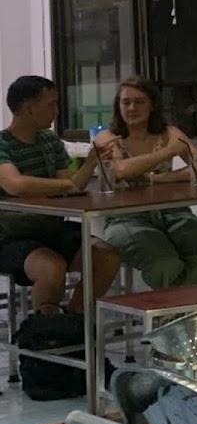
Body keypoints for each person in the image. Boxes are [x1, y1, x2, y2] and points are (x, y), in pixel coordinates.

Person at [93, 76, 197, 289]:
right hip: (125, 219)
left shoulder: (169, 132)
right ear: (118, 106)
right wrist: (167, 153)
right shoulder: (107, 136)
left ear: (152, 105)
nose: (132, 108)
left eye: (139, 102)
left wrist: (157, 178)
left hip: (173, 212)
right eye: (126, 102)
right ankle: (174, 316)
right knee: (165, 264)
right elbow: (120, 170)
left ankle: (186, 314)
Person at [0, 76, 121, 314]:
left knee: (106, 255)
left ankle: (75, 324)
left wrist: (90, 163)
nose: (56, 111)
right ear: (28, 108)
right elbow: (16, 185)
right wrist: (64, 185)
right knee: (51, 267)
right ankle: (46, 334)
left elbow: (73, 184)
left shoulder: (49, 139)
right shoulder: (2, 143)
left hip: (52, 229)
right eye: (51, 104)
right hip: (10, 237)